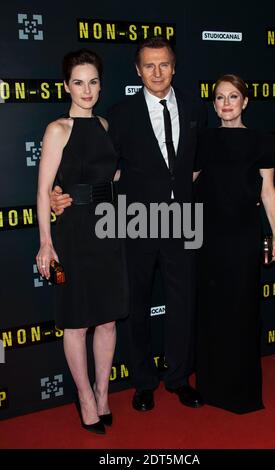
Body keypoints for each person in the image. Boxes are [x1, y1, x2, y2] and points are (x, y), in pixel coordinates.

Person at [51, 36, 207, 412]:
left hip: (182, 218)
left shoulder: (194, 108)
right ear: (138, 71)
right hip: (134, 220)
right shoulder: (119, 115)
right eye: (149, 65)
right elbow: (102, 169)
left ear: (174, 66)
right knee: (135, 304)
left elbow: (198, 165)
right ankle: (143, 382)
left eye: (164, 64)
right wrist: (63, 193)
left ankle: (178, 378)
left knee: (183, 303)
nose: (157, 72)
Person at [36, 49, 128, 434]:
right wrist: (46, 243)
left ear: (100, 85)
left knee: (107, 321)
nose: (86, 89)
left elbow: (117, 175)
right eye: (78, 82)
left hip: (109, 229)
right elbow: (43, 192)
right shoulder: (58, 129)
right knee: (75, 323)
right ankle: (85, 398)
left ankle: (103, 393)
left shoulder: (106, 126)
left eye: (93, 82)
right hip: (71, 235)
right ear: (66, 86)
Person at [195, 74, 275, 414]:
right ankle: (210, 386)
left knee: (243, 310)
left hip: (243, 235)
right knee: (211, 310)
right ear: (213, 104)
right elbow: (186, 184)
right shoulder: (201, 140)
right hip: (207, 236)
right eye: (219, 97)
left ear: (245, 102)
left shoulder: (261, 141)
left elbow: (267, 190)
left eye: (233, 96)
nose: (226, 103)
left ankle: (242, 391)